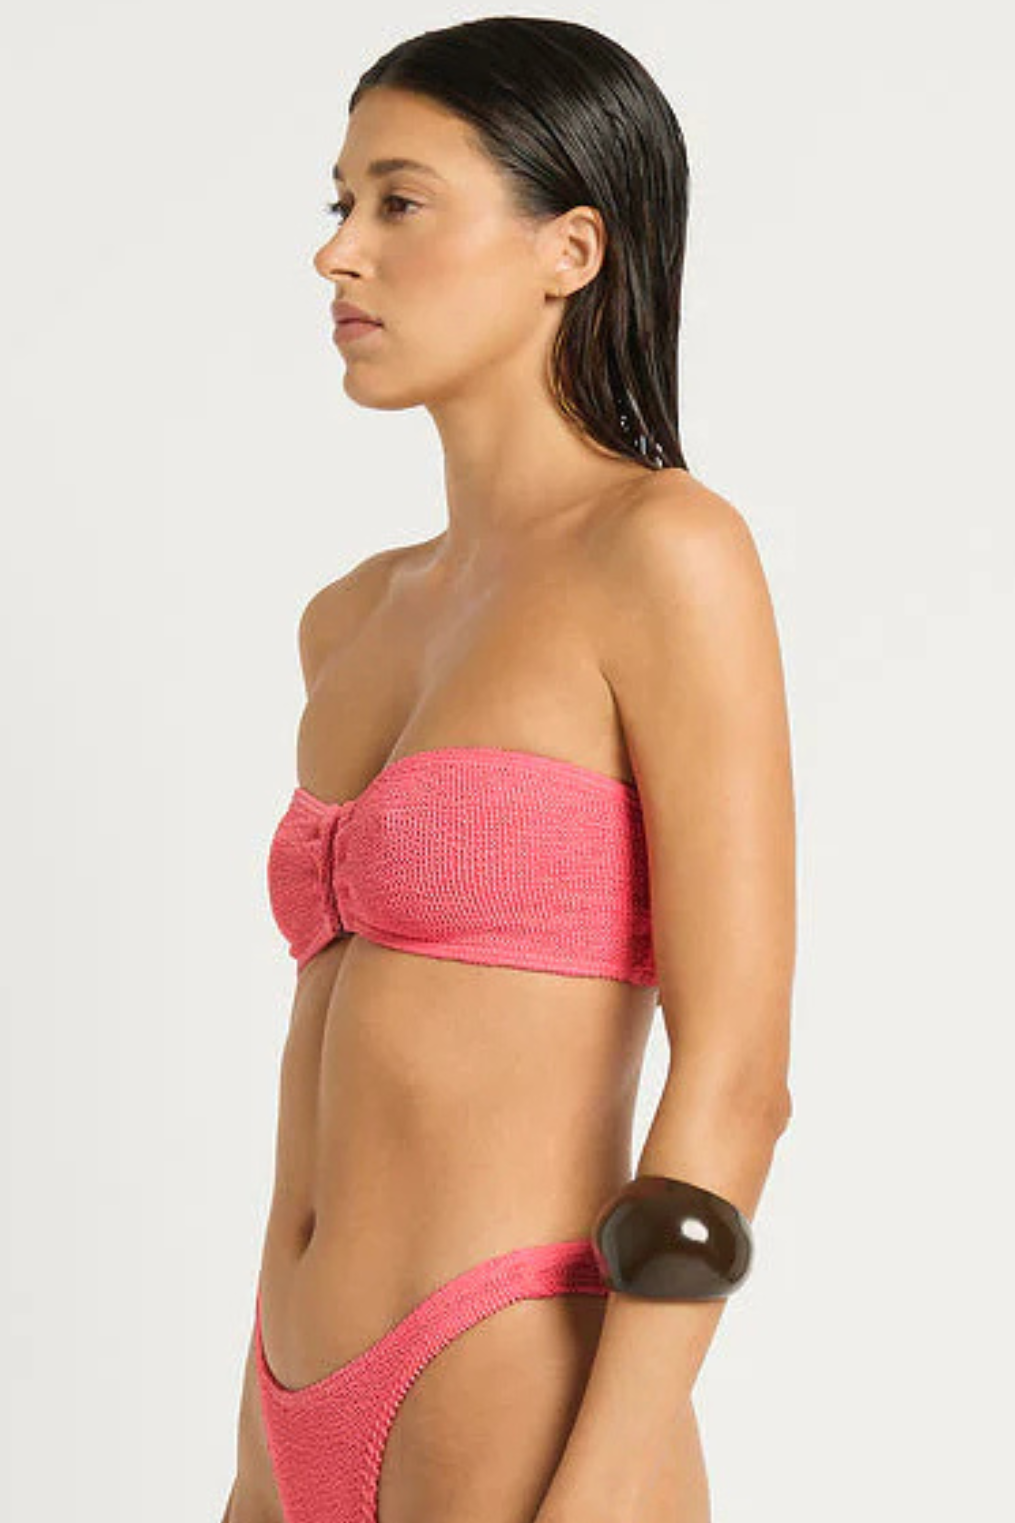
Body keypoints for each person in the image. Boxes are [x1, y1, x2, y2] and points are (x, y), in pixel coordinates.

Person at [222, 17, 795, 1523]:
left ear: (570, 249)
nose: (338, 252)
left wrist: (596, 1490)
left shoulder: (664, 553)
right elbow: (321, 1079)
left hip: (510, 1393)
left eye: (398, 202)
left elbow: (736, 1079)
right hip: (287, 1404)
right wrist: (254, 1457)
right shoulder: (351, 619)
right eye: (339, 201)